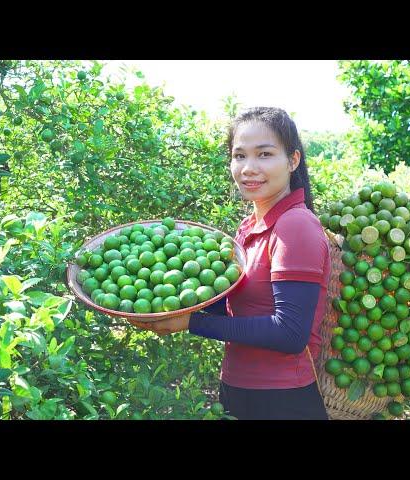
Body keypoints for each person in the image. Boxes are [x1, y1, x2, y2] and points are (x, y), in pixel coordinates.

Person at [128, 106, 331, 420]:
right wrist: (174, 305)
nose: (248, 168)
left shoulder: (296, 226)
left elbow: (290, 333)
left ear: (293, 160)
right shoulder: (249, 227)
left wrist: (190, 323)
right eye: (239, 156)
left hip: (283, 401)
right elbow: (236, 312)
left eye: (264, 154)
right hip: (239, 390)